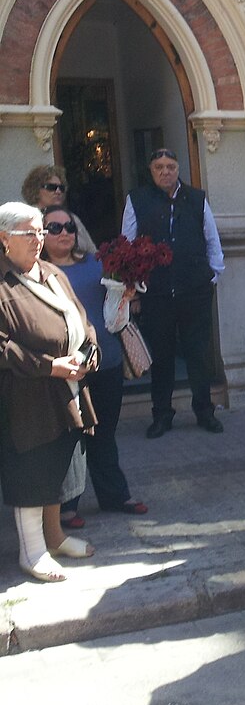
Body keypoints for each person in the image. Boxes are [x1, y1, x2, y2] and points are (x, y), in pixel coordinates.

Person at [0, 202, 98, 582]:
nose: (39, 239)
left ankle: (55, 537)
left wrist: (88, 353)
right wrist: (49, 366)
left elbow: (82, 320)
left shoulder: (54, 273)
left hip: (68, 387)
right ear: (4, 239)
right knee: (31, 470)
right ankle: (32, 551)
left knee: (59, 464)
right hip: (27, 396)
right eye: (30, 233)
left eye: (42, 231)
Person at [41, 206, 148, 516]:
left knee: (104, 433)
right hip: (66, 368)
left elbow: (115, 311)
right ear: (41, 233)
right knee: (71, 437)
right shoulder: (36, 271)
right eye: (55, 228)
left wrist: (127, 295)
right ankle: (66, 507)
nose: (64, 233)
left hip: (107, 361)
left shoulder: (98, 265)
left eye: (70, 227)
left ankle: (115, 496)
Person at [122, 148, 225, 437]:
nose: (165, 172)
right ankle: (162, 414)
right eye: (159, 167)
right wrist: (134, 289)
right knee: (163, 356)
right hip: (156, 292)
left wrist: (213, 276)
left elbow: (211, 238)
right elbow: (127, 245)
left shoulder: (196, 198)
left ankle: (205, 410)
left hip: (195, 290)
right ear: (151, 171)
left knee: (198, 353)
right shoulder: (137, 200)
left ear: (178, 168)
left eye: (170, 166)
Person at [21, 165, 96, 255]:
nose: (58, 191)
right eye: (51, 187)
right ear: (35, 190)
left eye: (61, 188)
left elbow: (92, 251)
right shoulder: (26, 221)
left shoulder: (71, 219)